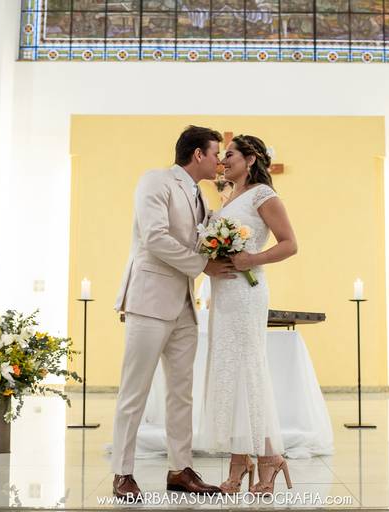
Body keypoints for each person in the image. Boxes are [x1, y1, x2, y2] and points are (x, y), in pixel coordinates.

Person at [111, 126, 235, 500]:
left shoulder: (200, 196)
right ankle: (122, 473)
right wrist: (203, 266)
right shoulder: (156, 180)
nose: (219, 161)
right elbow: (155, 237)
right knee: (135, 391)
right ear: (198, 154)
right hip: (149, 300)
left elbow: (207, 234)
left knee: (181, 393)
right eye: (216, 154)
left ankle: (180, 470)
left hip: (184, 304)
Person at [199, 134, 298, 494]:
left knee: (248, 369)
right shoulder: (229, 197)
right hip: (224, 293)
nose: (223, 161)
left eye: (230, 155)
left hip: (246, 292)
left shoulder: (263, 195)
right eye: (222, 156)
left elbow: (290, 244)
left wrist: (252, 259)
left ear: (251, 159)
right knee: (230, 371)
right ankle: (240, 460)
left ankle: (270, 457)